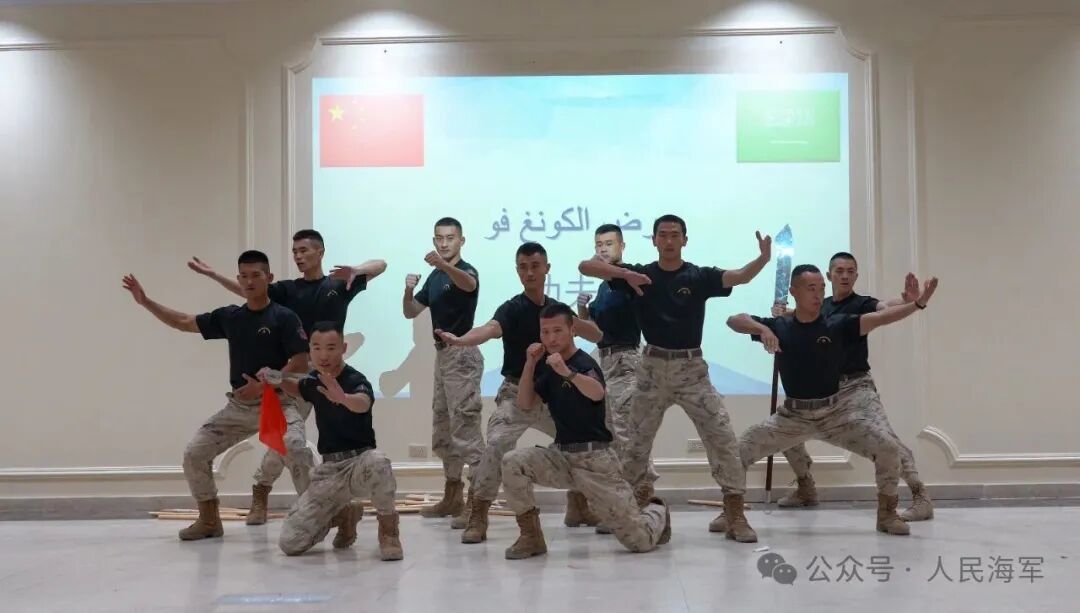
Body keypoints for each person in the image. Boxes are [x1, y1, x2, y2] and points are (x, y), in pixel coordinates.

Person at [578, 214, 770, 542]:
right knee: (634, 444)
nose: (669, 240)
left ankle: (734, 513)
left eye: (675, 235)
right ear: (654, 240)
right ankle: (631, 509)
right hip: (651, 368)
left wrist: (762, 259)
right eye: (663, 235)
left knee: (721, 436)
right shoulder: (642, 275)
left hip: (691, 370)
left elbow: (740, 276)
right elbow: (586, 267)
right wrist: (625, 274)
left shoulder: (698, 276)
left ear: (684, 240)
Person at [188, 229, 385, 524]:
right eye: (295, 252)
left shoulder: (339, 284)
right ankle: (263, 489)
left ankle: (324, 499)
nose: (298, 256)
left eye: (304, 250)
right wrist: (214, 275)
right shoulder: (287, 290)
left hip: (332, 372)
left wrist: (357, 269)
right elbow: (248, 290)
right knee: (288, 442)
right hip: (300, 373)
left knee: (319, 437)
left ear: (320, 252)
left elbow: (381, 264)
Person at [726, 264, 939, 536]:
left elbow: (882, 316)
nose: (818, 294)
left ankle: (887, 515)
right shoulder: (779, 326)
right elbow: (734, 320)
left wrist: (917, 304)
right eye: (811, 288)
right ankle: (733, 516)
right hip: (793, 417)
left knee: (887, 447)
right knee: (738, 451)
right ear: (794, 291)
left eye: (821, 289)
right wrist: (762, 330)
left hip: (836, 413)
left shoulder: (839, 324)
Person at [121, 250, 312, 540]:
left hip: (278, 402)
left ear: (269, 278)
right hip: (239, 407)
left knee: (295, 447)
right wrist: (146, 302)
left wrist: (265, 384)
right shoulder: (231, 317)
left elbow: (300, 362)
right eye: (244, 276)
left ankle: (315, 517)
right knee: (195, 453)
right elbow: (184, 321)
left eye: (256, 275)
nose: (249, 281)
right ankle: (209, 520)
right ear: (239, 279)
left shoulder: (284, 317)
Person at [435, 242, 603, 544]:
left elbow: (596, 334)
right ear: (517, 272)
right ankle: (478, 513)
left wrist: (573, 322)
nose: (530, 273)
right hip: (517, 393)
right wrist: (461, 340)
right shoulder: (512, 308)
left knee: (580, 438)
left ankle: (578, 505)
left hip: (554, 395)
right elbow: (488, 329)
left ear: (546, 269)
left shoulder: (557, 312)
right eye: (523, 267)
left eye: (535, 266)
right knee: (496, 444)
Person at [500, 303, 670, 559]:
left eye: (558, 331)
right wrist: (530, 364)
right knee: (513, 461)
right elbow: (524, 403)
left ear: (572, 330)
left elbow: (597, 392)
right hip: (561, 457)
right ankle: (531, 537)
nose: (551, 338)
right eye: (545, 332)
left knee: (640, 541)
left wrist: (567, 373)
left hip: (595, 462)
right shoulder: (547, 366)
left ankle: (657, 511)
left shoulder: (583, 362)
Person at [267, 322, 403, 561]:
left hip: (359, 463)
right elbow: (298, 388)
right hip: (329, 471)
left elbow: (363, 403)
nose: (323, 355)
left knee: (379, 461)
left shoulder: (356, 379)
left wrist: (343, 398)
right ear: (310, 350)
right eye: (317, 348)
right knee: (290, 542)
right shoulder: (313, 379)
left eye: (331, 348)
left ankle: (389, 531)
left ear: (343, 348)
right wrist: (274, 378)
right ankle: (344, 514)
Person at [575, 224, 659, 533]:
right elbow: (596, 330)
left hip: (626, 361)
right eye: (599, 244)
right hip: (604, 362)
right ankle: (625, 506)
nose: (602, 249)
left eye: (609, 244)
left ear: (622, 247)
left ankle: (644, 500)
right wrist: (582, 312)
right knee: (611, 436)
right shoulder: (603, 287)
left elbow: (587, 266)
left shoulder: (629, 279)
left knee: (628, 434)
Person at [402, 218, 485, 523]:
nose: (444, 243)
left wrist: (443, 265)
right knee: (443, 432)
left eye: (450, 238)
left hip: (462, 355)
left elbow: (469, 284)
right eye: (439, 238)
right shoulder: (435, 277)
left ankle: (478, 503)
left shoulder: (466, 271)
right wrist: (408, 291)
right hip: (443, 358)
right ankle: (453, 496)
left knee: (466, 433)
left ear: (461, 240)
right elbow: (411, 311)